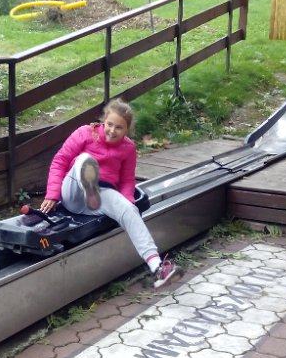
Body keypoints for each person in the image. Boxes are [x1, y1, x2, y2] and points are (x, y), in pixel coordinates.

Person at [40, 98, 182, 288]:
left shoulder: (128, 148)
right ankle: (89, 186)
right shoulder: (84, 133)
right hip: (73, 194)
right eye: (109, 124)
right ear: (103, 121)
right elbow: (60, 161)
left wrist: (127, 204)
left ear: (127, 129)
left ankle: (157, 267)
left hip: (101, 196)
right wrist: (52, 194)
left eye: (119, 128)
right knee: (84, 160)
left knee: (129, 210)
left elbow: (127, 181)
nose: (112, 131)